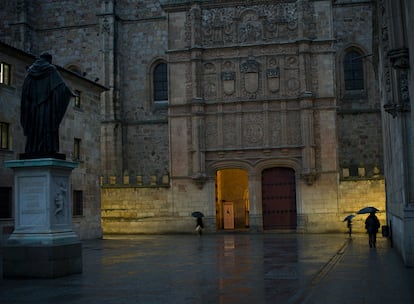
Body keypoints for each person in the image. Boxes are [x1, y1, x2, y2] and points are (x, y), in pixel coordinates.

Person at [20, 52, 74, 158]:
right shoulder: (51, 70)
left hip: (32, 109)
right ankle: (47, 148)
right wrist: (69, 92)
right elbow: (61, 88)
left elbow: (25, 93)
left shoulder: (30, 73)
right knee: (47, 126)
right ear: (49, 60)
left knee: (34, 129)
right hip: (47, 108)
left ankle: (32, 148)